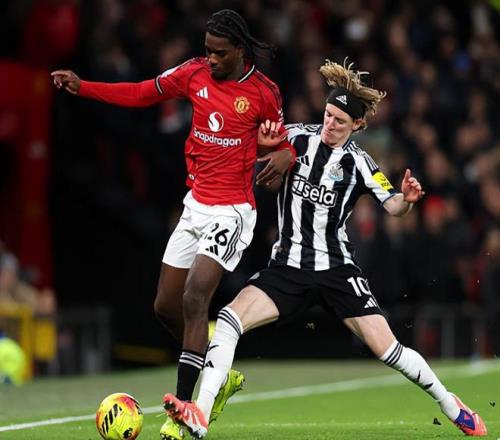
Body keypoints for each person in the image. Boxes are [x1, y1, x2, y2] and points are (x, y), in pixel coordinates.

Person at [163, 59, 488, 438]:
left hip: (337, 271)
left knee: (389, 350)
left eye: (340, 121)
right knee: (228, 320)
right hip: (287, 268)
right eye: (328, 115)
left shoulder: (360, 163)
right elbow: (252, 141)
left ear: (357, 125)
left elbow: (393, 207)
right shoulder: (295, 138)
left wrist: (408, 199)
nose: (330, 125)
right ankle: (200, 414)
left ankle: (451, 405)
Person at [51, 9, 295, 440]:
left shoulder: (263, 92)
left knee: (195, 295)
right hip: (195, 206)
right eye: (207, 51)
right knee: (165, 306)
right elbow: (142, 92)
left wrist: (282, 156)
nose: (211, 59)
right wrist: (83, 86)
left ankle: (182, 411)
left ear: (239, 50)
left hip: (232, 210)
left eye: (219, 53)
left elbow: (285, 144)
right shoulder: (193, 73)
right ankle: (218, 368)